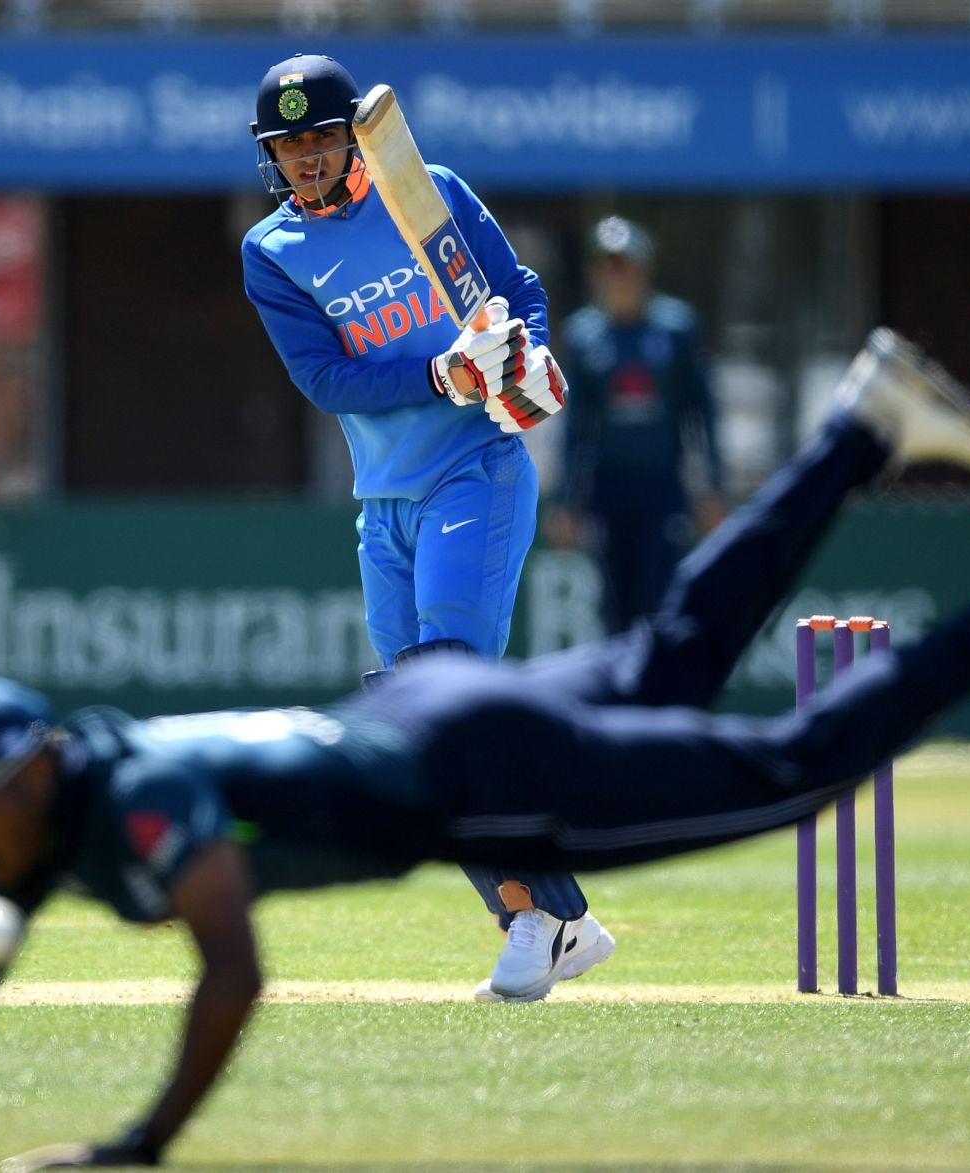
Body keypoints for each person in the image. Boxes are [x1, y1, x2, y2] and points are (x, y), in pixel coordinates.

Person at [0, 330, 970, 1171]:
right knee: (673, 657)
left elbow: (231, 970)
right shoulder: (58, 811)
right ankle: (864, 424)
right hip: (423, 714)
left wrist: (142, 1146)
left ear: (34, 772)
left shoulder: (147, 797)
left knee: (788, 770)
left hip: (466, 784)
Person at [235, 52, 606, 1004]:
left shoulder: (427, 193)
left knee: (448, 680)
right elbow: (326, 379)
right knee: (406, 723)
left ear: (355, 137)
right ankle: (551, 911)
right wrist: (441, 370)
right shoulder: (270, 251)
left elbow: (517, 291)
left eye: (320, 137)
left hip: (476, 469)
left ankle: (540, 919)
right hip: (385, 498)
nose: (307, 159)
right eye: (290, 146)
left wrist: (525, 354)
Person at [552, 216, 726, 630]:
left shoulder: (677, 328)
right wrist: (566, 502)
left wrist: (712, 487)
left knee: (659, 600)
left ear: (643, 269)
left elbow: (701, 411)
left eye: (624, 266)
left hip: (662, 483)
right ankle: (622, 692)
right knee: (615, 604)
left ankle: (657, 691)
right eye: (607, 267)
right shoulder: (584, 335)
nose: (618, 278)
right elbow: (576, 426)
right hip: (609, 487)